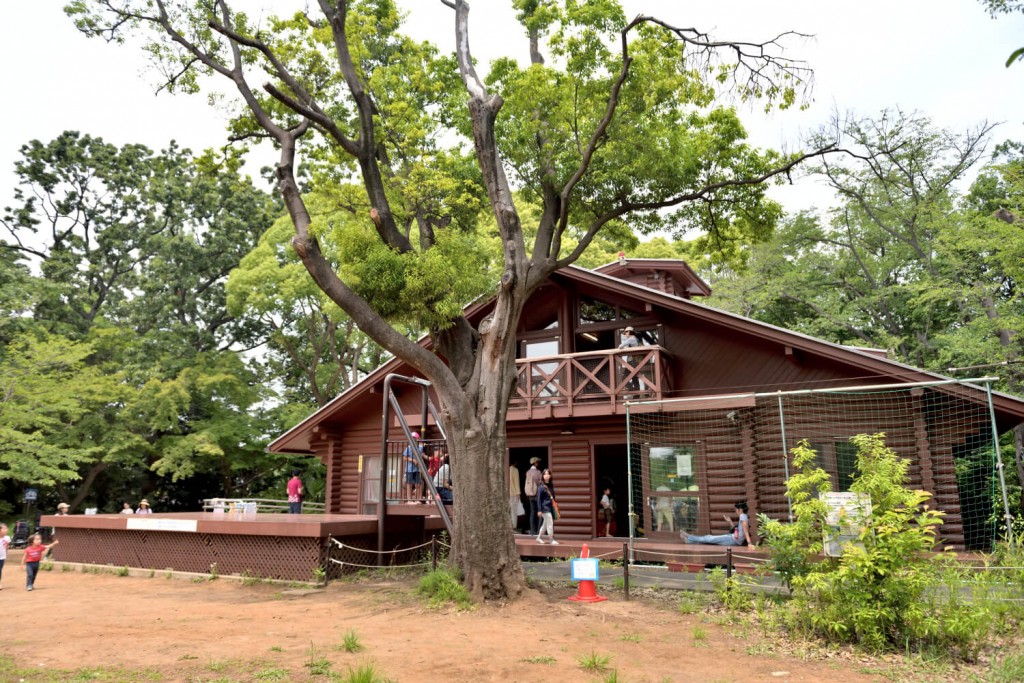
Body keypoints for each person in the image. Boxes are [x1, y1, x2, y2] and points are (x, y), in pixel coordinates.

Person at [684, 500, 756, 549]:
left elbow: (745, 530)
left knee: (710, 538)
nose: (735, 511)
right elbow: (739, 531)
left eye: (736, 509)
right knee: (711, 540)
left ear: (740, 509)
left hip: (733, 540)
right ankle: (689, 540)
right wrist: (730, 521)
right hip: (733, 538)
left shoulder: (743, 516)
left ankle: (690, 537)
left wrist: (749, 543)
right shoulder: (744, 516)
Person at [535, 468, 559, 545]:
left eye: (548, 474)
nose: (546, 475)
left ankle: (538, 537)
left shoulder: (551, 485)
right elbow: (539, 499)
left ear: (550, 475)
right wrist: (539, 510)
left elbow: (553, 496)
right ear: (543, 476)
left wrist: (555, 504)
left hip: (550, 507)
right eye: (545, 474)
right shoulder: (541, 487)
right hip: (544, 508)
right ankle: (551, 539)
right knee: (550, 522)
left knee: (545, 524)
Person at [403, 432, 424, 503]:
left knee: (418, 484)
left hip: (417, 469)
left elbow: (420, 455)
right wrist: (413, 460)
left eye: (415, 438)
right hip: (409, 469)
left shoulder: (420, 448)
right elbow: (405, 457)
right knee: (409, 484)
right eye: (412, 438)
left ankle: (418, 499)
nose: (413, 440)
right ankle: (409, 500)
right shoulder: (408, 448)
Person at [524, 456, 543, 536]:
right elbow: (540, 483)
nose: (538, 463)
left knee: (532, 512)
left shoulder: (528, 472)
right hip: (537, 495)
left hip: (530, 495)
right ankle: (539, 531)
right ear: (535, 463)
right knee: (540, 512)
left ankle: (532, 531)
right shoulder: (538, 472)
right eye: (537, 462)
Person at [618, 326, 640, 393]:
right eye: (625, 332)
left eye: (627, 332)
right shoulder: (634, 339)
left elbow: (621, 346)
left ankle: (634, 391)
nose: (626, 333)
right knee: (634, 378)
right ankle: (636, 394)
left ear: (630, 332)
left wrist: (623, 337)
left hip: (632, 361)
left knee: (624, 379)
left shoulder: (631, 339)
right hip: (635, 361)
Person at [508, 462, 521, 528]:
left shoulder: (506, 469)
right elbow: (516, 482)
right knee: (514, 511)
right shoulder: (515, 470)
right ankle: (513, 526)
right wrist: (518, 493)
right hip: (513, 493)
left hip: (507, 493)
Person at [0, 523, 10, 590]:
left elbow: (7, 547)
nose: (6, 530)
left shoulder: (7, 538)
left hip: (2, 557)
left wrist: (6, 553)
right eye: (4, 528)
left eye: (6, 528)